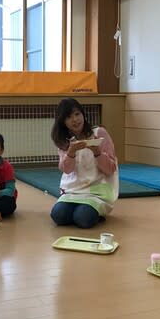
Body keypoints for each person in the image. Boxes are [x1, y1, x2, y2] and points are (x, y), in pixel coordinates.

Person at [49, 98, 118, 228]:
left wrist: (97, 153)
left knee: (83, 218)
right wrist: (70, 153)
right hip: (72, 191)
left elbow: (111, 169)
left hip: (96, 192)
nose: (75, 119)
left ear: (83, 114)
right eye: (69, 117)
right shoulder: (64, 139)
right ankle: (81, 210)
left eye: (77, 114)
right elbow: (67, 170)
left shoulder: (99, 133)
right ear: (63, 121)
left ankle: (92, 211)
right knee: (58, 216)